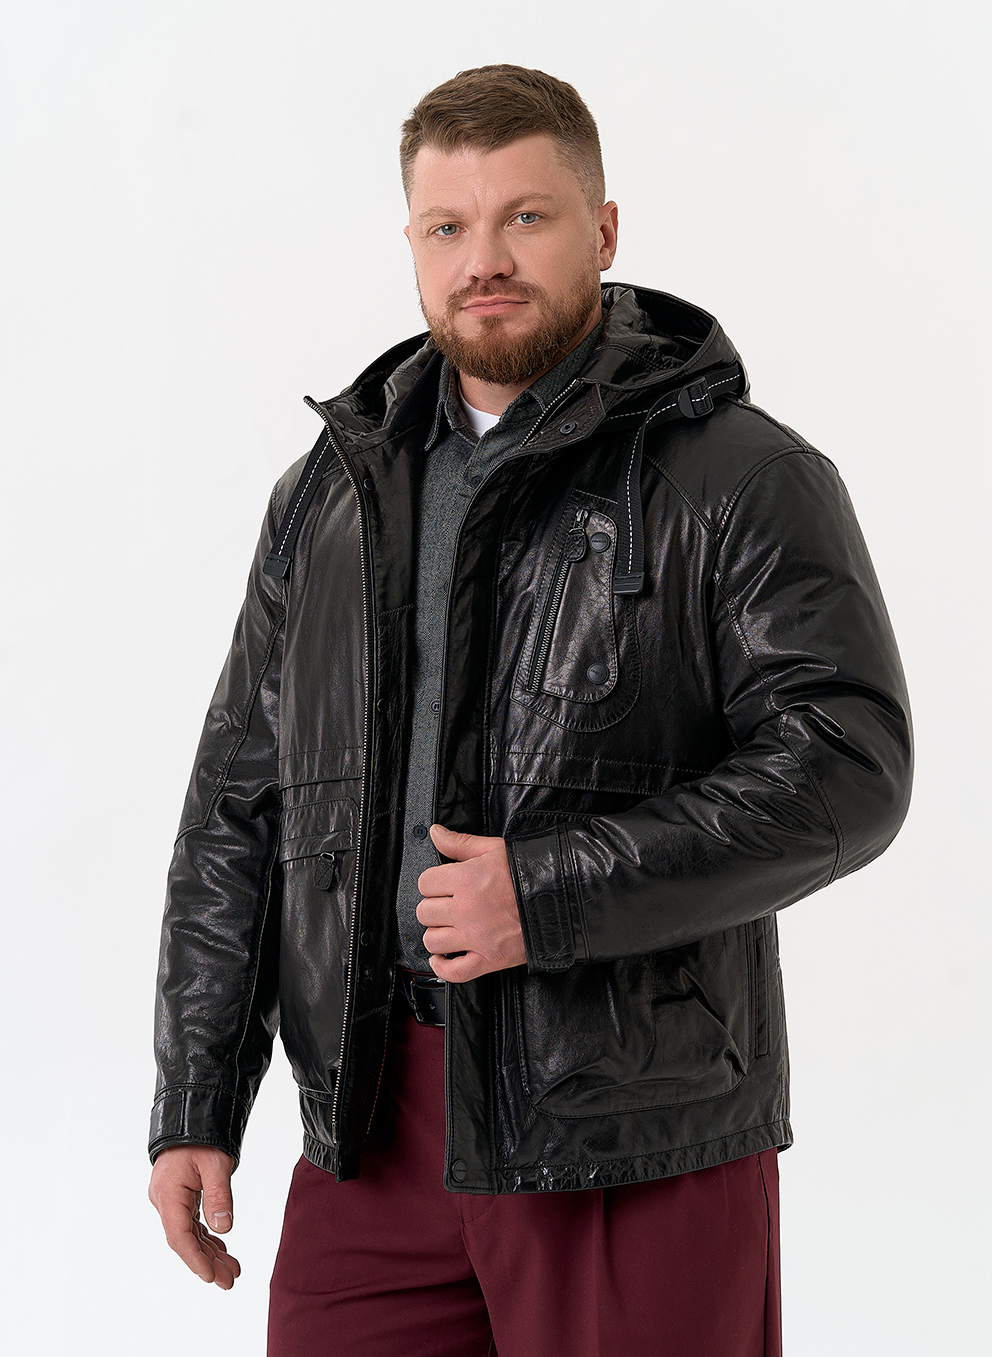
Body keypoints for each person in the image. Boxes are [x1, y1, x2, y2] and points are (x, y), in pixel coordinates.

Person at [147, 65, 913, 1357]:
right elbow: (241, 803)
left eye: (527, 217)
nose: (484, 259)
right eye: (448, 225)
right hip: (370, 1122)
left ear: (603, 230)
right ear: (411, 244)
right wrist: (196, 1100)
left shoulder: (743, 474)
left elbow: (848, 765)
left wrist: (548, 894)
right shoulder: (329, 496)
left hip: (628, 1124)